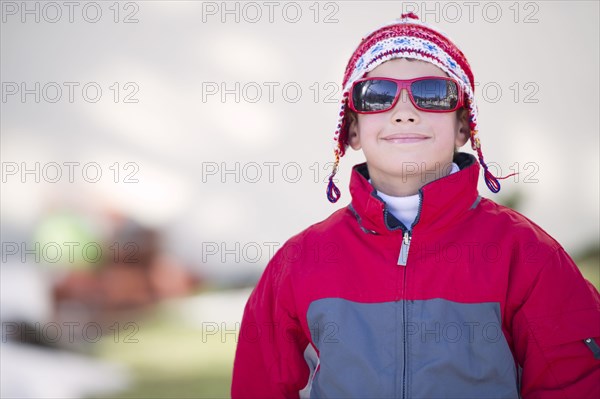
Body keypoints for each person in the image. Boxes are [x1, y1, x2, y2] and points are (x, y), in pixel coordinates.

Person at [231, 13, 600, 398]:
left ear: (463, 126)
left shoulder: (528, 255)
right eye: (376, 94)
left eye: (431, 93)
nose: (404, 111)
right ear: (352, 130)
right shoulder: (299, 262)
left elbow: (574, 384)